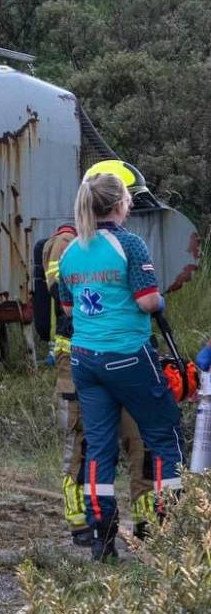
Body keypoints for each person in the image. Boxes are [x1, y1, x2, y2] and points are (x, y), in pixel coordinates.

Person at [58, 172, 184, 562]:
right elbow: (147, 301)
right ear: (119, 204)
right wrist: (159, 302)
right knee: (165, 435)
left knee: (99, 449)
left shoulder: (71, 251)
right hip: (128, 354)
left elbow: (67, 307)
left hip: (85, 358)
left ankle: (102, 538)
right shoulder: (128, 244)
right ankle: (171, 526)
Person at [44, 160, 159, 545]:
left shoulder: (118, 242)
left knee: (139, 439)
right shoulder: (68, 243)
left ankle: (147, 519)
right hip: (79, 362)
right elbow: (68, 302)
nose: (128, 210)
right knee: (85, 444)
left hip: (120, 353)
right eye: (127, 200)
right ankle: (84, 523)